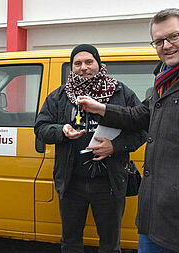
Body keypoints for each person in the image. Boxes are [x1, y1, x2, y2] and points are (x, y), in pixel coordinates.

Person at [78, 8, 179, 253]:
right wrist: (100, 108)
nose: (166, 45)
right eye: (159, 41)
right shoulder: (164, 81)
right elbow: (139, 116)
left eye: (173, 37)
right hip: (153, 212)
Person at [34, 44, 146, 253]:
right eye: (77, 63)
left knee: (110, 244)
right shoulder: (60, 96)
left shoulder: (120, 92)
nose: (83, 67)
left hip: (109, 183)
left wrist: (114, 146)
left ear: (98, 64)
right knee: (70, 242)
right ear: (72, 67)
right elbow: (40, 128)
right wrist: (61, 131)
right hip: (71, 183)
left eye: (88, 62)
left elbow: (141, 130)